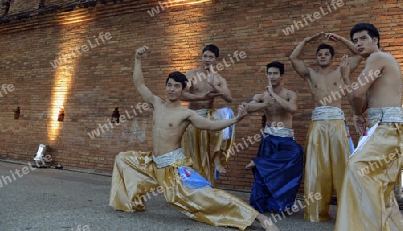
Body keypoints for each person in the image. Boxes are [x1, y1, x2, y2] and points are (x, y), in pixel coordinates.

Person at [109, 45, 279, 231]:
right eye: (169, 85)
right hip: (153, 163)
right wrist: (137, 59)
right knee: (123, 159)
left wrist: (236, 119)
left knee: (204, 196)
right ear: (166, 87)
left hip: (174, 168)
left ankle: (258, 217)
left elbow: (212, 125)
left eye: (177, 86)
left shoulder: (185, 114)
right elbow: (140, 84)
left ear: (183, 91)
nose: (172, 89)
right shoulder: (156, 103)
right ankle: (131, 202)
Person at [334, 23, 403, 231]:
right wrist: (357, 111)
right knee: (378, 183)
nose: (358, 43)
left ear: (375, 40)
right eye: (355, 40)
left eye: (363, 39)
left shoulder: (378, 58)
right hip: (383, 128)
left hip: (388, 127)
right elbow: (359, 102)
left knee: (356, 169)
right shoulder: (372, 64)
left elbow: (357, 96)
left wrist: (357, 110)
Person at [289, 32, 362, 222]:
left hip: (337, 122)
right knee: (316, 167)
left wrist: (341, 39)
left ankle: (347, 214)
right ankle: (317, 212)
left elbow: (358, 55)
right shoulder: (310, 74)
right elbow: (293, 58)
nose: (322, 56)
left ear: (332, 57)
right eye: (319, 54)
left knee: (342, 165)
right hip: (318, 123)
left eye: (326, 54)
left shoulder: (340, 71)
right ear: (316, 57)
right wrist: (306, 40)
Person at [244, 61, 303, 214]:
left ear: (282, 76)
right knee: (265, 176)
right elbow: (247, 107)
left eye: (275, 73)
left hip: (286, 138)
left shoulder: (290, 94)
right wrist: (265, 103)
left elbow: (292, 109)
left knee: (296, 155)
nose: (272, 76)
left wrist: (274, 96)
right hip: (269, 138)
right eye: (269, 73)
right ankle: (263, 205)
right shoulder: (261, 96)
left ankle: (259, 163)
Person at [181, 44, 235, 184]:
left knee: (227, 114)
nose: (207, 59)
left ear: (215, 59)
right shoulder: (191, 74)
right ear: (201, 57)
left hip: (209, 116)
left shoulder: (218, 78)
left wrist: (213, 84)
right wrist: (202, 97)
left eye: (211, 57)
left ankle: (217, 159)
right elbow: (182, 95)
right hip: (193, 116)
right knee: (195, 153)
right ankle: (192, 184)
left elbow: (229, 98)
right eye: (205, 56)